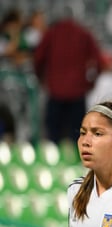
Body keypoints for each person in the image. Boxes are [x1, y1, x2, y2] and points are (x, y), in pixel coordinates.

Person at [33, 6, 105, 143]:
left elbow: (38, 59)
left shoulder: (51, 34)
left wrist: (41, 79)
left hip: (55, 93)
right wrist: (90, 83)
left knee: (53, 138)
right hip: (77, 93)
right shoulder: (83, 33)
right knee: (78, 138)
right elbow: (99, 62)